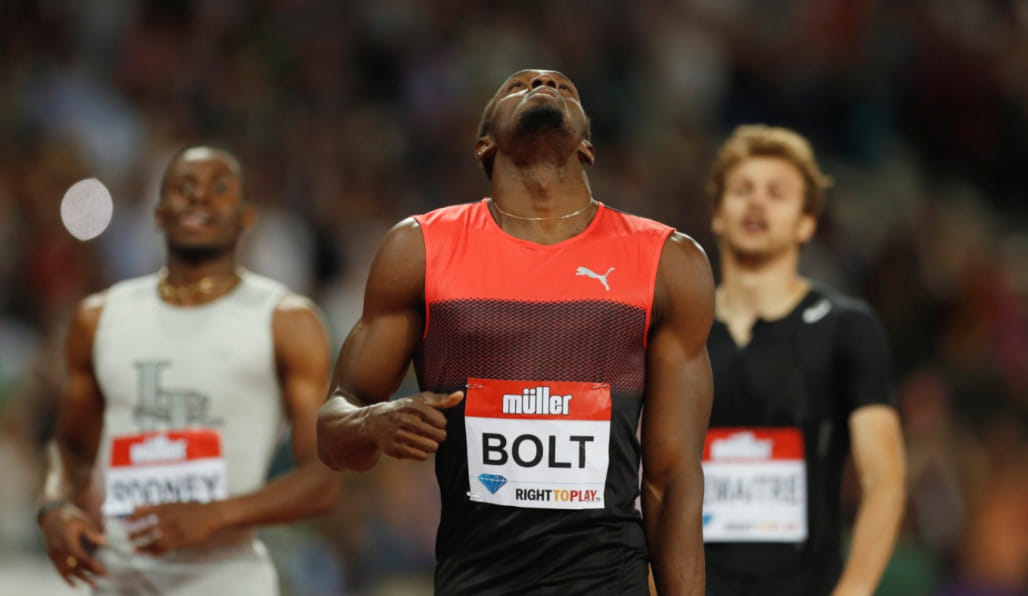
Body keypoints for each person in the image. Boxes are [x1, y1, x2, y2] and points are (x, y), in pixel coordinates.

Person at [317, 68, 715, 594]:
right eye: (518, 86)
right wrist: (373, 422)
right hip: (476, 582)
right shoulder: (420, 250)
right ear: (484, 144)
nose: (544, 85)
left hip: (607, 581)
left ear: (587, 146)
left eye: (564, 87)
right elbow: (332, 433)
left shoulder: (667, 262)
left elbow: (673, 479)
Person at [37, 146, 340, 594]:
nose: (200, 197)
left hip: (225, 578)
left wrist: (216, 513)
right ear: (158, 213)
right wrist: (54, 505)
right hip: (117, 578)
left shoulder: (286, 322)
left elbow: (324, 477)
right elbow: (71, 447)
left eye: (219, 189)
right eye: (184, 187)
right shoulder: (99, 318)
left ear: (247, 217)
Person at [700, 125, 906, 595]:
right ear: (717, 213)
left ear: (806, 223)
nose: (757, 203)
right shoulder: (680, 330)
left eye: (777, 193)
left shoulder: (847, 327)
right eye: (743, 190)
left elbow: (884, 477)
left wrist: (854, 589)